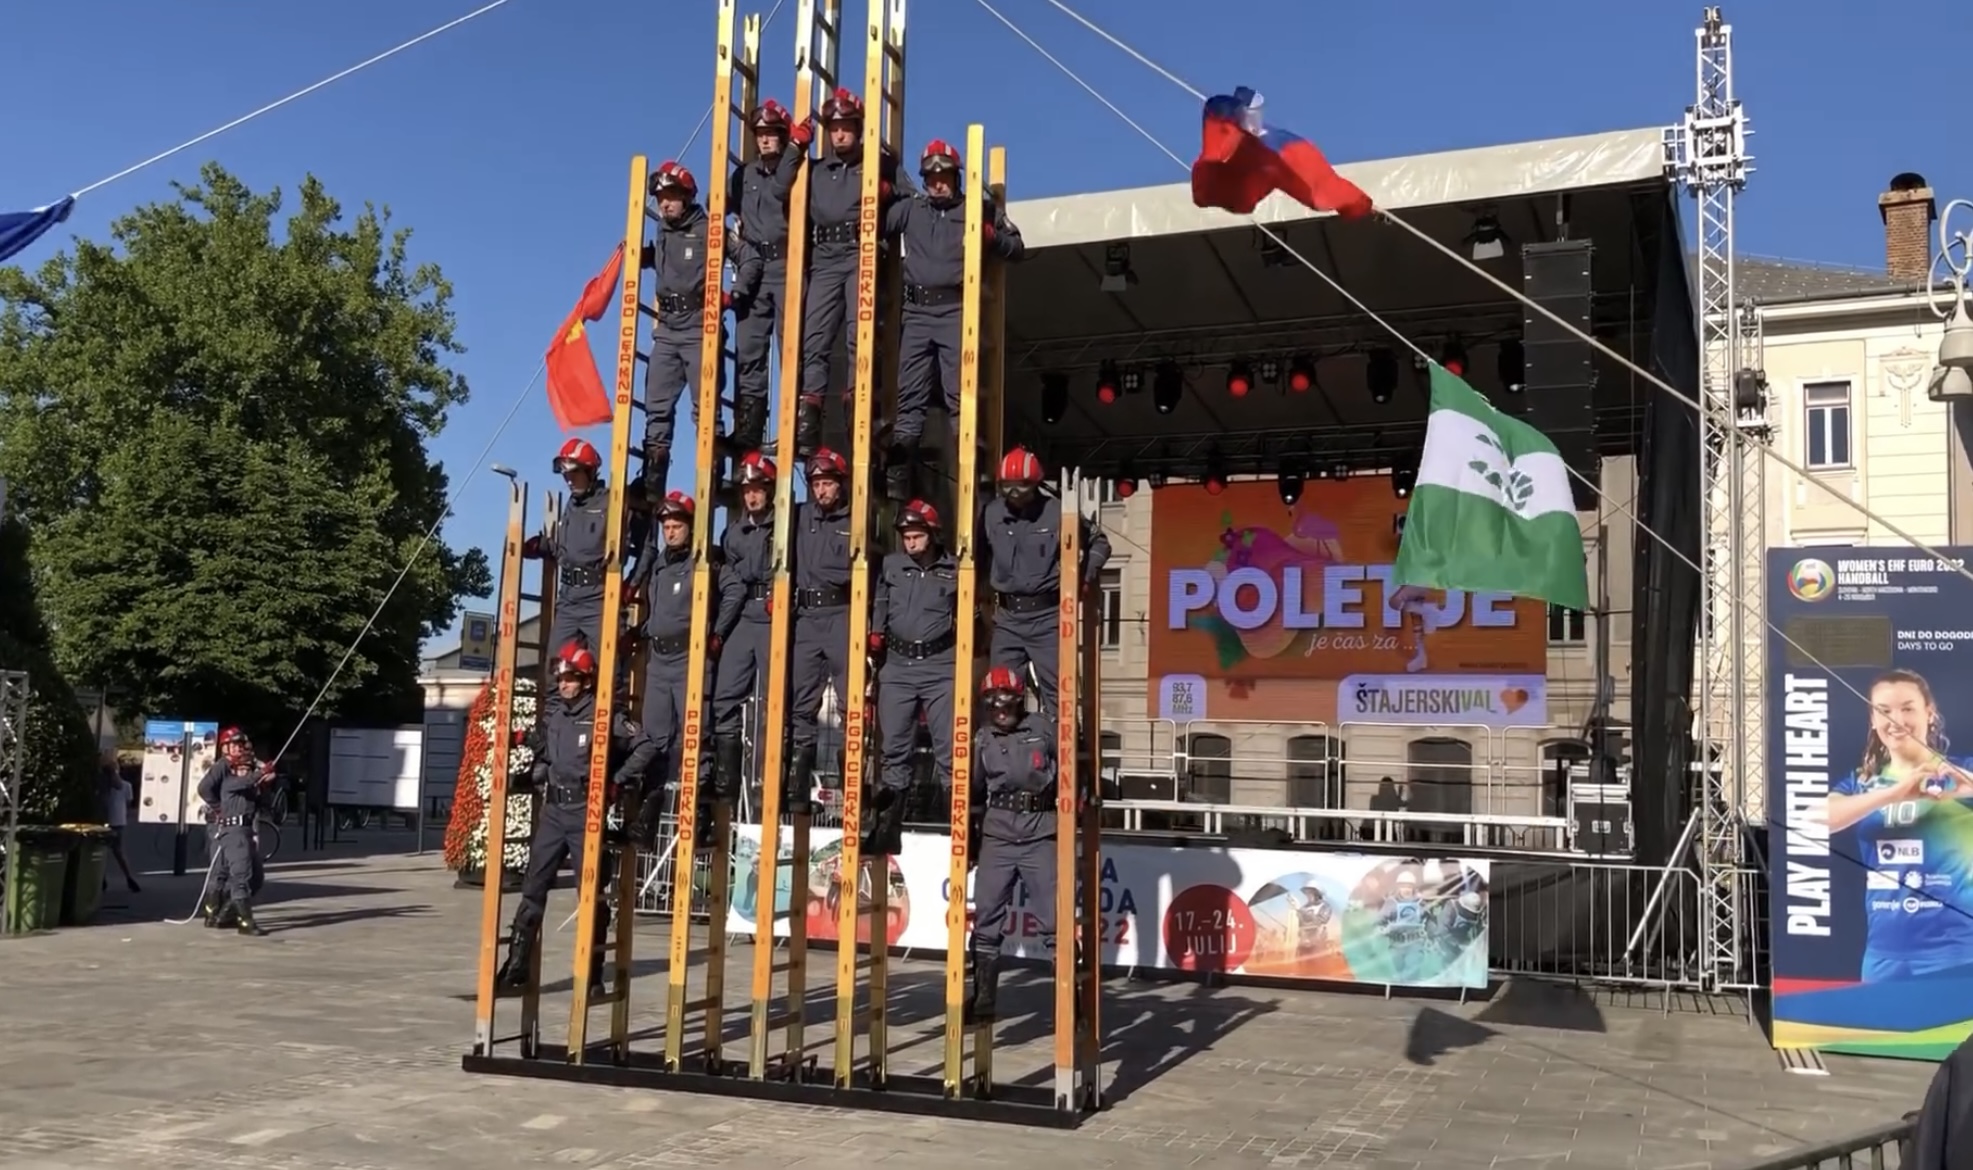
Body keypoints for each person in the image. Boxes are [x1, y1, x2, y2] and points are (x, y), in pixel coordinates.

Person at [496, 643, 657, 994]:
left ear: (585, 680)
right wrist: (522, 740)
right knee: (533, 886)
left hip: (586, 811)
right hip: (553, 812)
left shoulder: (604, 715)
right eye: (561, 678)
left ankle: (593, 969)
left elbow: (645, 746)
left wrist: (617, 780)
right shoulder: (556, 715)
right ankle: (517, 964)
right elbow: (549, 750)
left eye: (571, 679)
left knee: (591, 893)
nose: (564, 684)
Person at [880, 138, 1024, 500]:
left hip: (954, 311)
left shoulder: (978, 209)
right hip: (916, 313)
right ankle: (898, 473)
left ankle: (970, 470)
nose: (937, 182)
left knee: (960, 394)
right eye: (931, 177)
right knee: (909, 396)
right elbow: (872, 220)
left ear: (956, 177)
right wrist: (884, 174)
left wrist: (992, 238)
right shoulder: (911, 209)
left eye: (944, 176)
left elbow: (1018, 248)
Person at [1825, 668, 1973, 982]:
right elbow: (1818, 818)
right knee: (1885, 1031)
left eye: (1908, 708)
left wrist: (1965, 787)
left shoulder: (1961, 771)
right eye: (1885, 710)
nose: (1896, 720)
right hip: (1884, 954)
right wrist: (1894, 793)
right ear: (1872, 720)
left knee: (1948, 1032)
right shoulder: (1862, 780)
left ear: (1929, 714)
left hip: (1954, 952)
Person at [793, 87, 912, 459]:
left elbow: (912, 207)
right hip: (824, 256)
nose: (839, 134)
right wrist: (796, 149)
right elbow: (782, 190)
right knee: (814, 338)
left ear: (859, 129)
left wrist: (881, 211)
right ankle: (807, 418)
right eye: (834, 128)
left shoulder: (880, 163)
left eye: (846, 127)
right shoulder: (815, 168)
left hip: (859, 252)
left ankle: (857, 412)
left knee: (857, 337)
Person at [631, 489, 740, 848]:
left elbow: (735, 590)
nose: (670, 532)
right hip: (659, 661)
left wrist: (717, 633)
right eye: (666, 526)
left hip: (690, 660)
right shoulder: (661, 564)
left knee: (696, 738)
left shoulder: (705, 561)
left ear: (690, 527)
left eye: (677, 526)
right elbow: (662, 612)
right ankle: (647, 822)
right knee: (654, 739)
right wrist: (642, 630)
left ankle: (701, 822)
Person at [978, 447, 1111, 719]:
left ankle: (1057, 755)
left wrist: (1084, 577)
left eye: (1021, 487)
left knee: (1058, 697)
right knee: (999, 693)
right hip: (1007, 619)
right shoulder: (991, 514)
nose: (1013, 494)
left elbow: (1100, 542)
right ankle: (1008, 755)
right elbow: (976, 559)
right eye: (1007, 487)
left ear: (1036, 484)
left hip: (1049, 619)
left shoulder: (1059, 513)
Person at [965, 666, 1059, 1023]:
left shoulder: (1042, 729)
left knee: (1054, 920)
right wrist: (972, 841)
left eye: (1005, 702)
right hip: (998, 836)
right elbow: (973, 791)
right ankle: (984, 998)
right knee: (986, 915)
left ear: (1019, 701)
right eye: (992, 704)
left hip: (1040, 833)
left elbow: (1068, 773)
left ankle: (1070, 1000)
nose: (999, 710)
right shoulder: (982, 738)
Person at [867, 499, 957, 855]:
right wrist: (875, 632)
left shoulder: (954, 568)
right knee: (894, 750)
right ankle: (889, 828)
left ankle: (961, 827)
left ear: (932, 535)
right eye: (906, 536)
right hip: (898, 666)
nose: (911, 542)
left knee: (950, 750)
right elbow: (879, 603)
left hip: (940, 666)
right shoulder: (891, 566)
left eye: (917, 535)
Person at [728, 100, 814, 454]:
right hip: (754, 267)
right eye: (760, 134)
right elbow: (723, 207)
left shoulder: (798, 171)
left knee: (791, 348)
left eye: (771, 134)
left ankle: (795, 426)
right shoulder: (744, 175)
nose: (764, 141)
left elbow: (782, 190)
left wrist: (795, 150)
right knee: (749, 348)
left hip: (786, 264)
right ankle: (749, 427)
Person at [639, 160, 730, 494]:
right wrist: (643, 257)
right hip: (667, 328)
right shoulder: (663, 230)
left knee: (705, 407)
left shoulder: (708, 228)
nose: (664, 203)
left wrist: (735, 294)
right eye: (661, 196)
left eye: (671, 195)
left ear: (688, 195)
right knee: (656, 404)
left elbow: (744, 255)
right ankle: (653, 478)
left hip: (698, 326)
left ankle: (713, 475)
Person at [787, 448, 853, 813]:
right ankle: (798, 785)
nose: (821, 490)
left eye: (827, 483)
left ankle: (852, 782)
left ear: (840, 485)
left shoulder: (854, 517)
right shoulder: (799, 518)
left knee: (851, 705)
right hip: (807, 616)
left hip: (841, 612)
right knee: (801, 704)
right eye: (815, 484)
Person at [710, 452, 777, 809]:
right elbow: (730, 581)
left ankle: (777, 777)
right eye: (747, 490)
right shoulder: (733, 532)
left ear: (769, 490)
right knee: (725, 694)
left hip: (773, 613)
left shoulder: (785, 525)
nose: (752, 496)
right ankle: (727, 776)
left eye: (758, 489)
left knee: (777, 696)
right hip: (743, 615)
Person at [523, 437, 627, 655]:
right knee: (556, 667)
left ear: (590, 472)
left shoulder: (611, 503)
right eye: (565, 475)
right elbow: (566, 551)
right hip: (569, 599)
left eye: (574, 474)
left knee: (607, 670)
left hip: (598, 598)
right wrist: (542, 546)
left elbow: (641, 545)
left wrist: (633, 582)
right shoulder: (571, 504)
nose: (569, 480)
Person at [196, 726, 278, 936]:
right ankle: (227, 916)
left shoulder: (243, 777)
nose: (241, 750)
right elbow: (205, 788)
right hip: (226, 825)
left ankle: (222, 914)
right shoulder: (224, 770)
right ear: (225, 747)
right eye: (235, 745)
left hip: (243, 827)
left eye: (242, 746)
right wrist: (219, 808)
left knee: (241, 873)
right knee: (229, 872)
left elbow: (252, 789)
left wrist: (262, 781)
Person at [100, 752, 140, 894]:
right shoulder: (126, 786)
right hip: (119, 820)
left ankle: (101, 878)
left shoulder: (103, 786)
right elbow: (128, 804)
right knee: (119, 852)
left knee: (101, 852)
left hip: (104, 821)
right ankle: (129, 877)